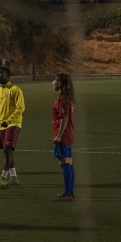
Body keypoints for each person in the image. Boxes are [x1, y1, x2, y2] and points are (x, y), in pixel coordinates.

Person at [51, 73, 76, 201]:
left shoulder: (62, 99)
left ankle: (67, 194)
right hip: (70, 134)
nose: (52, 83)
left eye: (54, 80)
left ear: (59, 83)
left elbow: (64, 118)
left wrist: (59, 135)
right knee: (69, 163)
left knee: (64, 163)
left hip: (63, 135)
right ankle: (70, 192)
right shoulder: (68, 98)